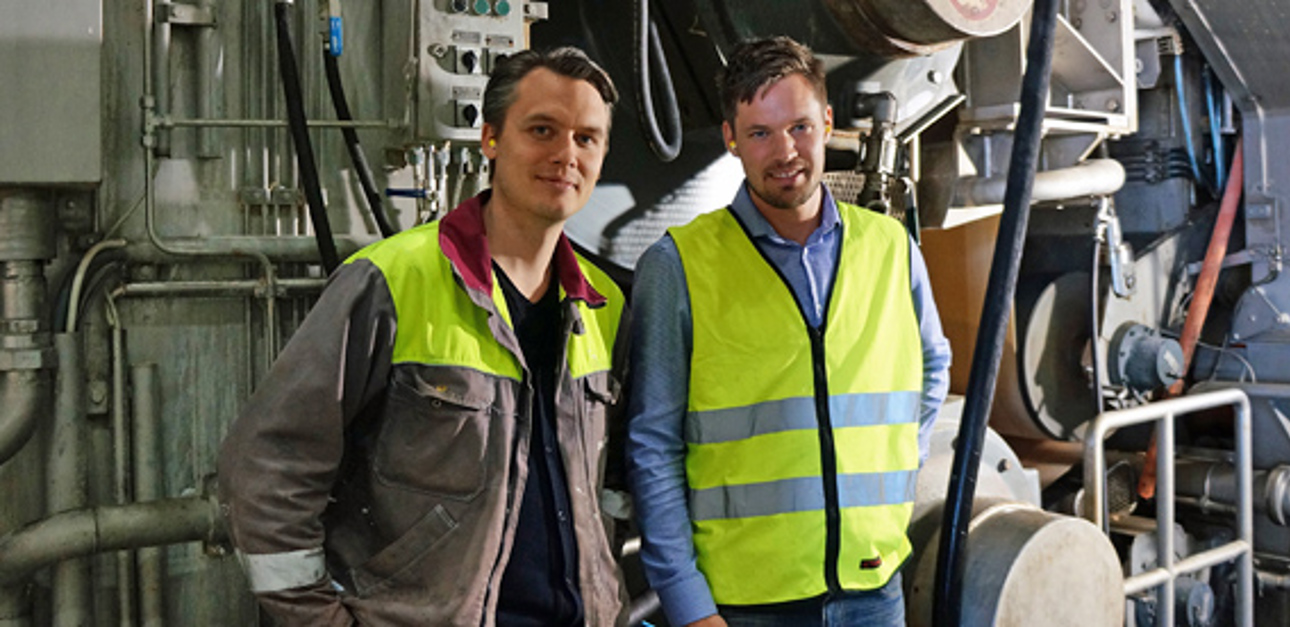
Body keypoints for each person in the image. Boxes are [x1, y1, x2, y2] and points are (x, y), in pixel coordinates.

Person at [217, 47, 629, 626]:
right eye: (542, 130)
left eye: (587, 138)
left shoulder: (602, 303)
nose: (566, 154)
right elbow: (268, 466)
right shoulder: (391, 280)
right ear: (490, 139)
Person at [626, 36, 951, 627]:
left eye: (800, 126)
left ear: (827, 122)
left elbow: (932, 370)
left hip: (873, 591)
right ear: (731, 139)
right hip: (743, 605)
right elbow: (652, 445)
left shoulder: (890, 248)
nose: (786, 151)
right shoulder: (678, 266)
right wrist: (687, 602)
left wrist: (885, 486)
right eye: (759, 133)